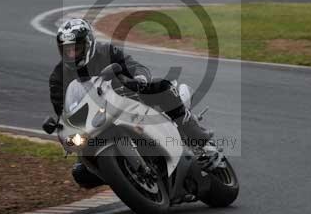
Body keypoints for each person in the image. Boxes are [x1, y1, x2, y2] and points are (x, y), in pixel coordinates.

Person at [49, 18, 212, 188]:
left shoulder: (107, 51)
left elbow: (135, 67)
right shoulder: (58, 77)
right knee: (81, 174)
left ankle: (201, 141)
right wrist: (64, 128)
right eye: (67, 50)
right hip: (94, 124)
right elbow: (64, 112)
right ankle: (125, 178)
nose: (72, 54)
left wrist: (139, 79)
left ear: (88, 43)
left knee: (162, 87)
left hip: (128, 100)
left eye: (76, 48)